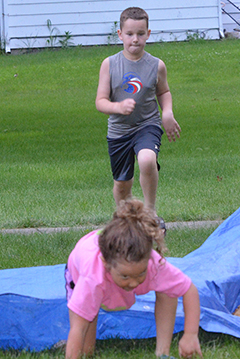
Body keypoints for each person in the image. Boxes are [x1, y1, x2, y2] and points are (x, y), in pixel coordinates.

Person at [65, 199, 202, 359]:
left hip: (120, 259)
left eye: (140, 274)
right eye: (125, 276)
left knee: (168, 287)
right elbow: (79, 327)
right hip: (79, 270)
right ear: (106, 264)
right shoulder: (92, 279)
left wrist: (190, 334)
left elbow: (189, 289)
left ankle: (162, 352)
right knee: (85, 351)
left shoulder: (152, 263)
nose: (134, 283)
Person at [95, 7, 181, 232]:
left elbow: (163, 92)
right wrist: (118, 106)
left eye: (141, 34)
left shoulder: (156, 65)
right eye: (130, 34)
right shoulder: (110, 64)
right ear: (120, 34)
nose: (135, 39)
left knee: (146, 160)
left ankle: (150, 214)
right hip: (119, 131)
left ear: (148, 33)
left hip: (147, 124)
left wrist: (168, 113)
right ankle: (126, 220)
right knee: (122, 184)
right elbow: (100, 101)